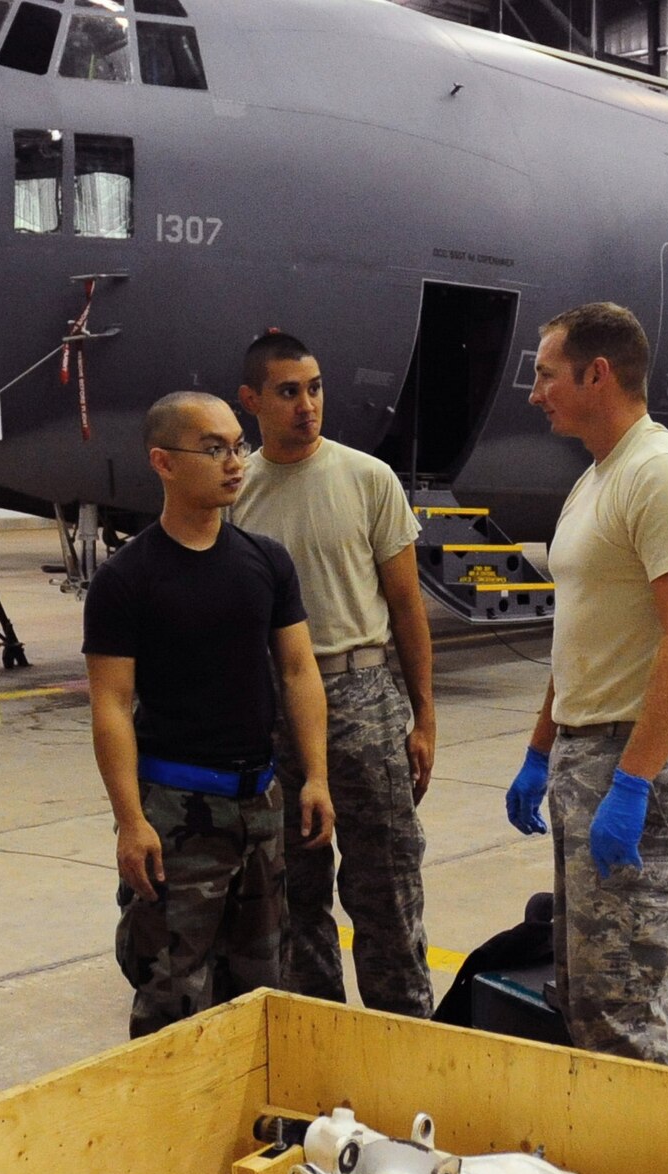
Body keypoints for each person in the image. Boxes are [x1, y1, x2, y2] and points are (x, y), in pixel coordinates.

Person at [504, 301, 668, 1067]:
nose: (535, 391)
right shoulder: (599, 478)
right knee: (586, 993)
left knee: (627, 1008)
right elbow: (581, 631)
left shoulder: (663, 475)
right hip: (588, 757)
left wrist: (633, 783)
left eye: (545, 373)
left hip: (646, 767)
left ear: (596, 373)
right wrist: (541, 750)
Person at [83, 391, 334, 1038]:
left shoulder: (267, 562)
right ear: (163, 462)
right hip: (177, 814)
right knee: (171, 992)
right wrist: (130, 821)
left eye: (237, 446)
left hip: (260, 805)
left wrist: (316, 778)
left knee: (260, 991)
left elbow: (300, 671)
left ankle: (253, 1134)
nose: (234, 462)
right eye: (215, 448)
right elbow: (110, 704)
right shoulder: (127, 579)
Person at [231, 331, 436, 1016]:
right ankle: (318, 1040)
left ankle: (404, 1039)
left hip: (364, 694)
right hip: (274, 701)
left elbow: (407, 607)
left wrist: (424, 717)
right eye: (289, 392)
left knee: (386, 888)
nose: (307, 405)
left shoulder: (366, 479)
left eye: (315, 388)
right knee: (292, 892)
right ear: (252, 399)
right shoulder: (238, 494)